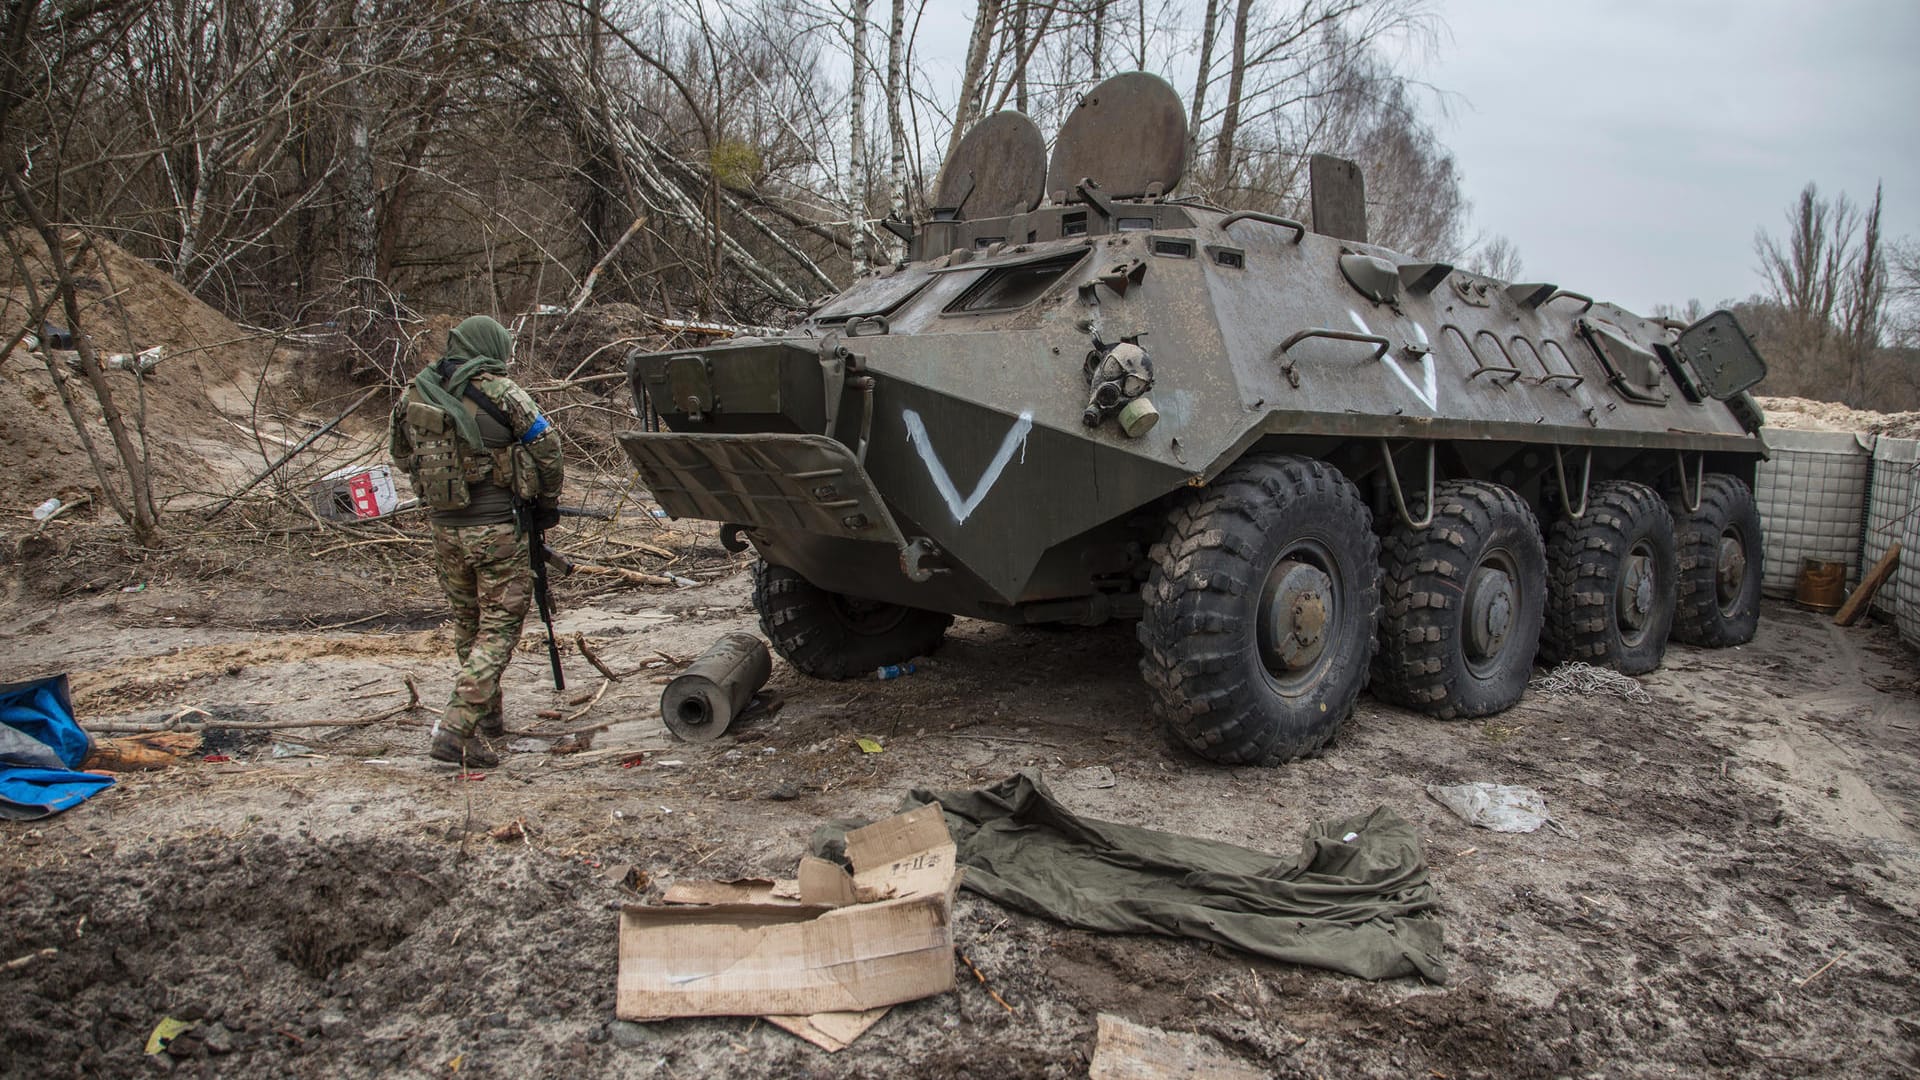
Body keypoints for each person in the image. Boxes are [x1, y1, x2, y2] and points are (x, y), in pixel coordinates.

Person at [389, 315, 563, 767]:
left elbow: (400, 454)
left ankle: (487, 717)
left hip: (445, 530)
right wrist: (546, 501)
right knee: (500, 626)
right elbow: (548, 447)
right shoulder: (502, 393)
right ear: (490, 348)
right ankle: (456, 726)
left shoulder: (414, 393)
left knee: (468, 622)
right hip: (498, 530)